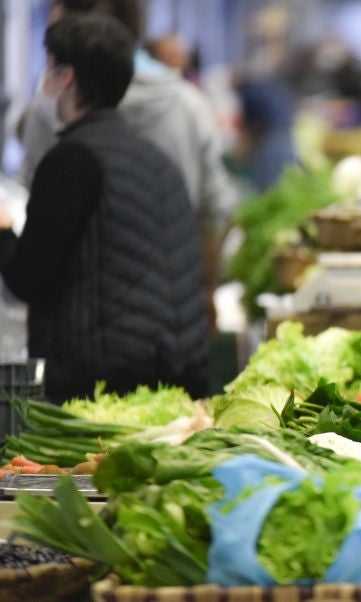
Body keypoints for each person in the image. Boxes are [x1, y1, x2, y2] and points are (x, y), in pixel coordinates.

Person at [0, 15, 209, 401]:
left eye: (48, 68)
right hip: (176, 378)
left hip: (100, 386)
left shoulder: (72, 160)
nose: (42, 83)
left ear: (68, 77)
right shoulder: (156, 159)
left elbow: (28, 278)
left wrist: (3, 230)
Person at [19, 0, 237, 325]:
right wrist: (205, 294)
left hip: (78, 327)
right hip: (174, 317)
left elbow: (34, 222)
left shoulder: (50, 108)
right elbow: (215, 211)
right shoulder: (188, 105)